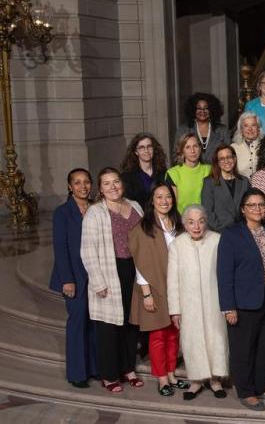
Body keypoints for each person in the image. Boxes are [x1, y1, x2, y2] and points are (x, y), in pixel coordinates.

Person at [217, 188, 265, 411]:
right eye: (252, 205)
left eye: (261, 205)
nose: (257, 209)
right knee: (243, 348)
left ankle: (260, 386)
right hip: (245, 301)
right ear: (243, 209)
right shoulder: (232, 234)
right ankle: (246, 391)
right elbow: (224, 273)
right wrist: (228, 307)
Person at [81, 167, 144, 393]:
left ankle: (128, 369)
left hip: (134, 271)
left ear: (122, 184)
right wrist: (98, 282)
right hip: (109, 271)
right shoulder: (95, 213)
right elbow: (87, 250)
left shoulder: (135, 206)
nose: (113, 187)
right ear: (100, 189)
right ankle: (109, 375)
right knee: (108, 327)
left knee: (130, 323)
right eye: (107, 183)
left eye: (116, 181)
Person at [127, 183, 187, 396]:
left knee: (174, 333)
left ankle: (171, 373)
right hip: (155, 287)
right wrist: (147, 294)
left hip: (176, 287)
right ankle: (162, 379)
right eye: (159, 197)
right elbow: (140, 264)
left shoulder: (178, 224)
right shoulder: (144, 227)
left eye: (168, 197)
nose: (164, 201)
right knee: (159, 335)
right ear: (152, 200)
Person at [166, 205, 228, 400]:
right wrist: (175, 310)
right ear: (184, 224)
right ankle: (196, 381)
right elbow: (172, 279)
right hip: (188, 303)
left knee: (216, 340)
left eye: (201, 221)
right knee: (192, 341)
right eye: (191, 222)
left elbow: (226, 275)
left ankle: (216, 380)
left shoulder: (218, 240)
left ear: (206, 221)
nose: (196, 226)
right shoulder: (177, 244)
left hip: (215, 302)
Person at [51, 168, 98, 388]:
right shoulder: (62, 212)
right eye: (77, 183)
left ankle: (95, 368)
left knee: (95, 321)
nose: (83, 186)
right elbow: (60, 248)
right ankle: (78, 373)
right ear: (70, 186)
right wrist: (67, 279)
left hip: (96, 272)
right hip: (74, 275)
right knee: (78, 321)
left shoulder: (97, 209)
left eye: (86, 182)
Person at [201, 145, 249, 231]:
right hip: (219, 232)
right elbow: (207, 212)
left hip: (243, 230)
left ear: (234, 158)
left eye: (229, 157)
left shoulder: (245, 181)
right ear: (217, 162)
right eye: (222, 159)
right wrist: (223, 231)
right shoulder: (209, 182)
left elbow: (249, 208)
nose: (226, 161)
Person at [166, 133, 212, 213]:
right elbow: (172, 206)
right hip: (182, 220)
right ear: (182, 151)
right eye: (188, 147)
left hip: (206, 219)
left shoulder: (210, 170)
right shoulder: (173, 173)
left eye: (195, 146)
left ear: (200, 149)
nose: (192, 151)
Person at [178, 92, 229, 163]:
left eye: (206, 108)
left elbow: (228, 154)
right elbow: (177, 155)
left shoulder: (222, 130)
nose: (202, 111)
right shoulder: (183, 129)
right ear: (193, 110)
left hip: (216, 172)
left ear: (212, 110)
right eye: (199, 108)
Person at [121, 133, 168, 205]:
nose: (146, 150)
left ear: (154, 149)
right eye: (142, 147)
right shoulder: (127, 176)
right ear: (136, 152)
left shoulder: (163, 172)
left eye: (149, 146)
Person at [231, 112, 264, 178]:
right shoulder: (233, 148)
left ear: (258, 128)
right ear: (241, 130)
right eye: (246, 126)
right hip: (241, 186)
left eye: (253, 125)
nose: (250, 129)